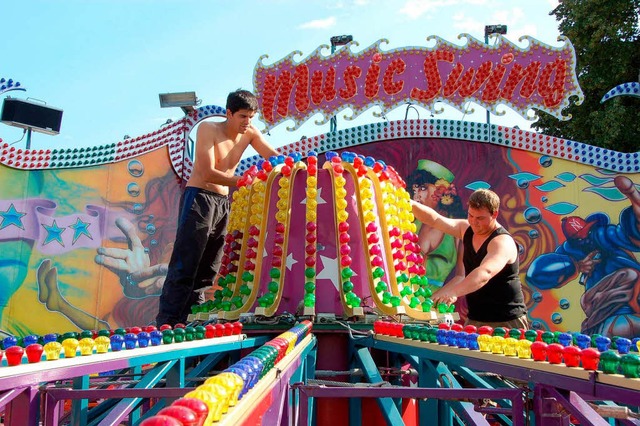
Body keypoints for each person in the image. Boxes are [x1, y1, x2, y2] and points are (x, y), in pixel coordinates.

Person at [155, 89, 279, 326]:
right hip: (199, 198)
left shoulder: (250, 133)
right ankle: (167, 322)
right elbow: (207, 172)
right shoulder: (208, 129)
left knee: (210, 267)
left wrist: (296, 166)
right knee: (186, 262)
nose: (247, 122)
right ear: (229, 113)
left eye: (251, 117)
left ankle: (192, 320)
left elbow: (273, 157)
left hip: (223, 204)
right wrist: (244, 181)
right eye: (243, 116)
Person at [526, 175, 640, 338]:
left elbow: (634, 229)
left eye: (587, 233)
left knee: (630, 275)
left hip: (633, 297)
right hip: (604, 310)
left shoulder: (604, 236)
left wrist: (632, 194)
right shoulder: (571, 251)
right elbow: (536, 274)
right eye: (580, 238)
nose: (586, 239)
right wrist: (577, 266)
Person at [411, 188, 528, 329]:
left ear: (495, 214)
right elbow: (435, 220)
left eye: (480, 218)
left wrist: (454, 292)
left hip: (506, 321)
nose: (474, 222)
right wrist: (406, 201)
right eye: (471, 215)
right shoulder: (466, 228)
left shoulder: (502, 242)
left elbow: (485, 273)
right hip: (476, 318)